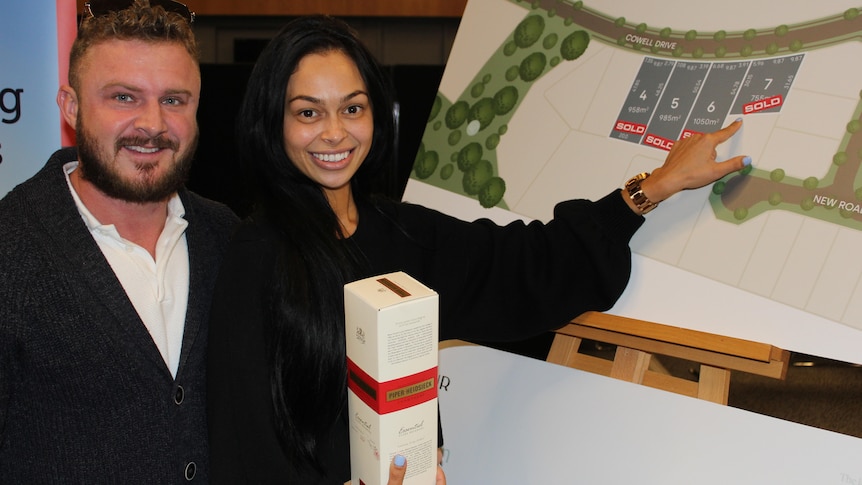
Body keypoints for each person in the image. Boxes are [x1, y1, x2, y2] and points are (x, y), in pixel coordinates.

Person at [205, 14, 749, 484]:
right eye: (308, 112)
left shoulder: (402, 234)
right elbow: (243, 443)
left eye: (352, 108)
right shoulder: (257, 258)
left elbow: (520, 266)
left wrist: (652, 187)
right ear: (273, 122)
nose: (334, 133)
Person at [0, 1, 240, 482]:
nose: (152, 124)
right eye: (124, 98)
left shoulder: (227, 238)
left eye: (174, 100)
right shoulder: (10, 247)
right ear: (71, 106)